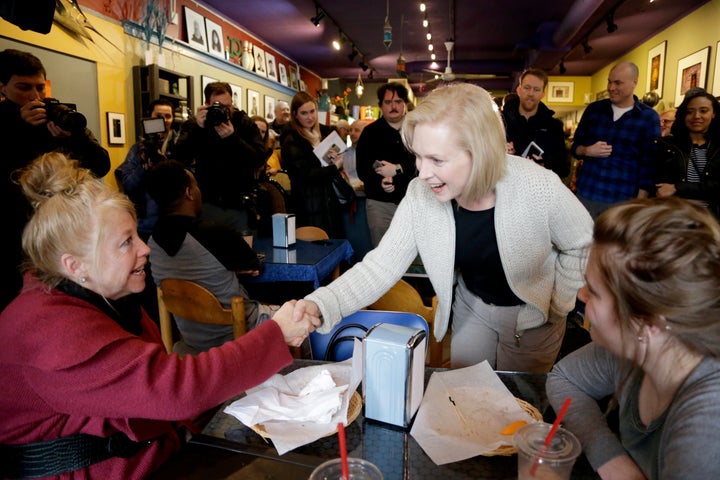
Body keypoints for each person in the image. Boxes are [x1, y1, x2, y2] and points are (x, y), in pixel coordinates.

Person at [0, 152, 313, 479]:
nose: (144, 248)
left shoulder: (99, 298)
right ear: (75, 266)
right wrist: (276, 333)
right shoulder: (49, 335)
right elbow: (179, 390)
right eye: (125, 242)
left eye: (136, 235)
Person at [294, 83, 593, 372]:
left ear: (481, 152)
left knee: (518, 408)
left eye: (437, 159)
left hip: (534, 323)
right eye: (419, 157)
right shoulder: (421, 194)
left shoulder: (538, 185)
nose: (422, 173)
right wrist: (322, 304)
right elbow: (380, 266)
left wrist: (559, 305)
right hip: (471, 309)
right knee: (466, 398)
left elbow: (583, 242)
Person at [546, 196, 720, 480]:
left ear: (646, 322)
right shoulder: (637, 345)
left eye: (594, 291)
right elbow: (564, 379)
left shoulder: (708, 429)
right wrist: (611, 459)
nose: (581, 294)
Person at [0, 48, 110, 312]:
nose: (35, 97)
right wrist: (17, 125)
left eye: (41, 87)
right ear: (3, 88)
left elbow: (101, 164)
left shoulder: (58, 115)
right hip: (12, 236)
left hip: (60, 232)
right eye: (24, 88)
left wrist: (74, 137)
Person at [146, 160, 280, 354]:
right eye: (195, 185)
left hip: (193, 338)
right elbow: (254, 265)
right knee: (301, 318)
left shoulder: (152, 243)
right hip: (239, 332)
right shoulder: (214, 233)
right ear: (189, 193)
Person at [571, 61, 661, 219]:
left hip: (622, 201)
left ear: (634, 82)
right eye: (609, 82)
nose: (611, 88)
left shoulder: (648, 117)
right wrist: (586, 150)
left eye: (618, 83)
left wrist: (639, 205)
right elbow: (574, 148)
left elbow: (649, 166)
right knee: (580, 243)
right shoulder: (594, 110)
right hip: (586, 194)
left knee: (615, 244)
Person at [174, 81, 267, 232]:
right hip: (208, 203)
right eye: (219, 107)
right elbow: (179, 158)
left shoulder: (244, 123)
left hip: (240, 205)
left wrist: (233, 139)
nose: (226, 111)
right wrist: (198, 129)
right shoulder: (196, 124)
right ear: (206, 105)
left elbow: (258, 160)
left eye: (228, 106)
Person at [356, 82, 416, 246]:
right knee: (383, 255)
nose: (394, 106)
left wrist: (398, 168)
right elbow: (362, 168)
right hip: (379, 205)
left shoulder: (416, 130)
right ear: (381, 106)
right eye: (388, 102)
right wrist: (380, 182)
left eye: (398, 101)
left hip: (412, 202)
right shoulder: (369, 133)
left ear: (405, 104)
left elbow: (424, 163)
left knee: (414, 259)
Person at [281, 91, 345, 238]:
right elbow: (304, 175)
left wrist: (337, 159)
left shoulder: (327, 132)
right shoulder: (291, 140)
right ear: (295, 114)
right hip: (307, 204)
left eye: (312, 111)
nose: (310, 117)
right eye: (304, 113)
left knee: (335, 246)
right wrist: (333, 168)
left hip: (330, 201)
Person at [115, 98, 178, 239]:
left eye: (168, 116)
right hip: (144, 223)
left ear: (173, 119)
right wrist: (144, 167)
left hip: (172, 220)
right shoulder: (138, 149)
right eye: (158, 116)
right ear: (150, 118)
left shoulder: (180, 146)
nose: (164, 120)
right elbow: (128, 185)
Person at [654, 88, 720, 217]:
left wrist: (677, 188)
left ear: (714, 114)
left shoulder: (718, 147)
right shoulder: (666, 145)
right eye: (690, 112)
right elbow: (661, 187)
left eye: (703, 111)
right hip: (673, 218)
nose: (696, 116)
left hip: (711, 221)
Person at [502, 68, 570, 178]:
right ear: (519, 90)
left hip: (538, 190)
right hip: (505, 187)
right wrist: (502, 155)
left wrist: (544, 164)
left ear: (543, 94)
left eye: (536, 89)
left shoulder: (554, 127)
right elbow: (484, 159)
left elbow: (564, 169)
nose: (531, 93)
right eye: (527, 88)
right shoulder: (499, 121)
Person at [340, 119, 372, 263]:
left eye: (356, 130)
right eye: (351, 130)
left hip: (367, 203)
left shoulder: (373, 153)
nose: (352, 133)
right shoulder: (343, 154)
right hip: (347, 204)